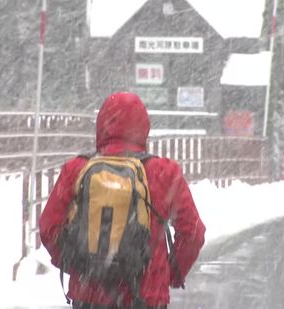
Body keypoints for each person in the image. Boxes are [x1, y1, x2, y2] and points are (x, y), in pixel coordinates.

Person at [39, 92, 206, 309]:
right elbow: (192, 232)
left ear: (101, 125)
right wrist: (171, 273)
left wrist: (79, 265)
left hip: (89, 298)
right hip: (145, 298)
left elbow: (49, 227)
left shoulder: (77, 169)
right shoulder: (163, 172)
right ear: (144, 127)